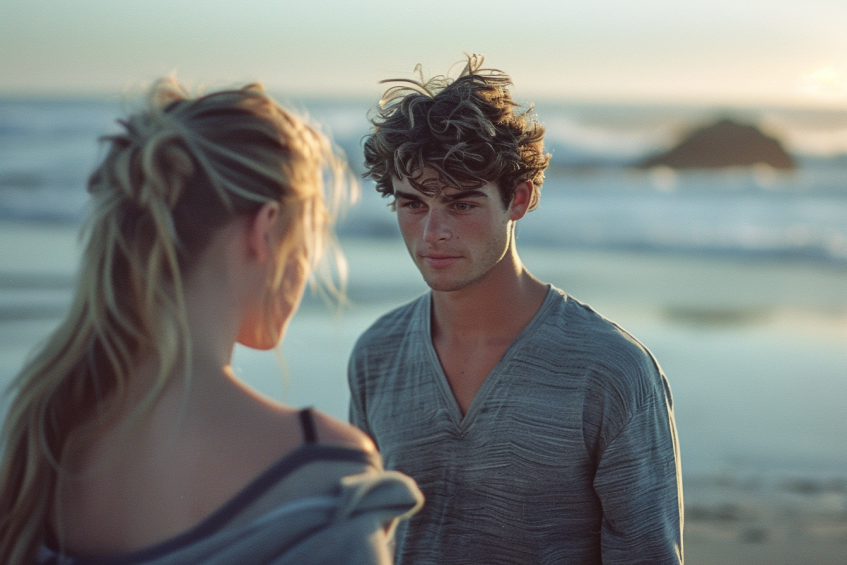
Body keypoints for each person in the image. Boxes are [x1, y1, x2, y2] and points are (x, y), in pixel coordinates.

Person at [0, 79, 422, 565]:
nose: (307, 269)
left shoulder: (46, 445)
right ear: (264, 231)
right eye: (308, 241)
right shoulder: (321, 473)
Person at [348, 55, 683, 564]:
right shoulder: (377, 355)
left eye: (462, 204)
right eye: (412, 203)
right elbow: (365, 540)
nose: (432, 232)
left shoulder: (611, 372)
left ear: (519, 199)